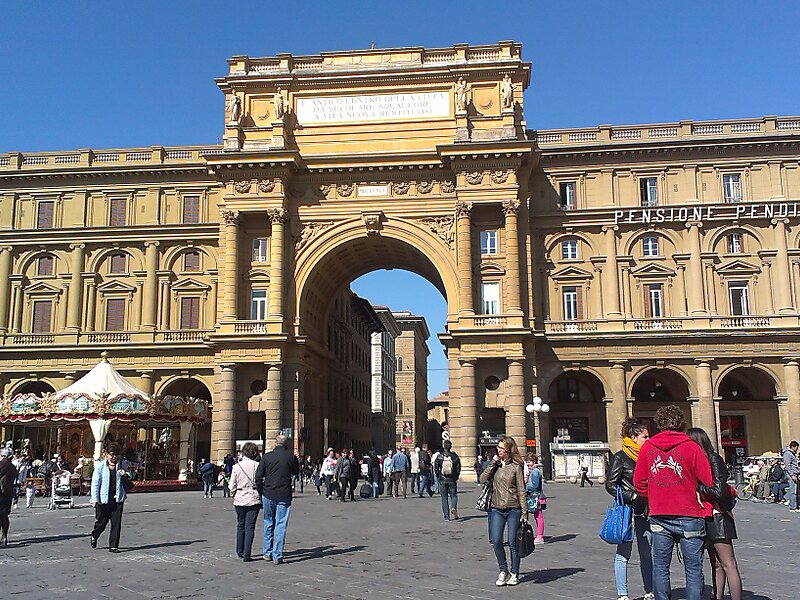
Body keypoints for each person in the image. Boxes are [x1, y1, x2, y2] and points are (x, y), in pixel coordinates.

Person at [633, 406, 712, 600]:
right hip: (689, 513)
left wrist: (651, 497)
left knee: (660, 566)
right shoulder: (692, 447)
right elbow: (707, 480)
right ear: (681, 423)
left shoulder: (648, 447)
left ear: (659, 424)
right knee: (693, 567)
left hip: (659, 513)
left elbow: (638, 481)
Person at [687, 428, 743, 600]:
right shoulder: (697, 461)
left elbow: (718, 491)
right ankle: (717, 597)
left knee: (728, 563)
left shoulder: (714, 459)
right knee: (716, 563)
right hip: (706, 515)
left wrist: (696, 486)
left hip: (718, 516)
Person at [605, 417, 653, 600]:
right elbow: (610, 485)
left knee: (647, 553)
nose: (648, 439)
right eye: (644, 437)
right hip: (627, 511)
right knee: (623, 554)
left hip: (646, 511)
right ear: (633, 437)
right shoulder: (620, 457)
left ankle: (649, 590)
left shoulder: (648, 456)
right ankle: (623, 594)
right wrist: (631, 496)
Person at [479, 436, 527, 587]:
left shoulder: (516, 467)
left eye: (501, 448)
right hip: (496, 508)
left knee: (513, 542)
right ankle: (503, 569)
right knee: (496, 540)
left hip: (513, 508)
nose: (498, 450)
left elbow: (521, 490)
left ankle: (514, 572)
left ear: (508, 450)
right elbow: (482, 479)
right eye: (498, 447)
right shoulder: (495, 465)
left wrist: (524, 512)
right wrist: (493, 463)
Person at [255, 434, 299, 565]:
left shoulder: (266, 457)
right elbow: (296, 472)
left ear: (275, 443)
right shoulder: (291, 457)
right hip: (284, 494)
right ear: (286, 444)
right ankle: (277, 554)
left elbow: (258, 476)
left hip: (268, 493)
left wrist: (261, 491)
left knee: (268, 522)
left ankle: (267, 552)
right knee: (281, 524)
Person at [90, 444, 130, 553]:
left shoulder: (121, 464)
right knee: (102, 522)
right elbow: (95, 483)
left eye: (116, 455)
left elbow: (129, 474)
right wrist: (94, 499)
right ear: (106, 455)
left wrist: (125, 473)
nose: (113, 457)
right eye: (111, 454)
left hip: (117, 498)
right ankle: (95, 535)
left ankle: (113, 546)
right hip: (103, 499)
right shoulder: (100, 466)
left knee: (116, 523)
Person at [229, 441, 261, 562]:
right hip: (253, 497)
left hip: (240, 498)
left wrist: (233, 493)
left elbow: (232, 485)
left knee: (240, 524)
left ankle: (240, 551)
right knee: (250, 526)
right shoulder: (257, 465)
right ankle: (247, 554)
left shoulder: (236, 467)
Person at [524, 453, 547, 546]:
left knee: (538, 516)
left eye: (530, 461)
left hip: (536, 497)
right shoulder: (531, 471)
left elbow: (534, 485)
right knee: (536, 516)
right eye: (527, 462)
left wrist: (525, 486)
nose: (528, 464)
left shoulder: (535, 471)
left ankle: (540, 536)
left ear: (534, 462)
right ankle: (537, 535)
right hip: (533, 496)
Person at [435, 440, 461, 521]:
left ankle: (446, 517)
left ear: (443, 446)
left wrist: (439, 477)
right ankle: (454, 507)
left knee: (444, 498)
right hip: (452, 479)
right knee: (453, 495)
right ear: (451, 446)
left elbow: (436, 468)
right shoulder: (454, 456)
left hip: (442, 479)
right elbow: (458, 468)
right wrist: (456, 477)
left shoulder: (439, 456)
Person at [0, 447, 18, 546]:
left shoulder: (2, 464)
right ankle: (4, 536)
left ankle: (3, 537)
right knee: (4, 515)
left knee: (2, 515)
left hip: (1, 492)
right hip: (8, 492)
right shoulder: (12, 466)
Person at [782, 440, 799, 512]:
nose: (797, 450)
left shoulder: (792, 453)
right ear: (793, 447)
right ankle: (792, 507)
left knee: (796, 491)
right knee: (793, 491)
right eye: (796, 448)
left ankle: (796, 506)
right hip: (792, 474)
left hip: (795, 473)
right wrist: (792, 475)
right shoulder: (787, 454)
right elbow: (788, 466)